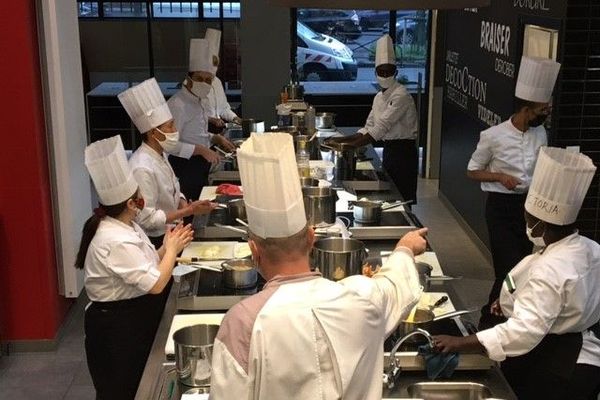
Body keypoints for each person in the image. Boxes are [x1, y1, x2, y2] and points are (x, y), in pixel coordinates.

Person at [209, 132, 427, 399]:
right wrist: (405, 247)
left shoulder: (243, 322)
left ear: (254, 252)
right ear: (312, 238)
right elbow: (395, 284)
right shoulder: (362, 295)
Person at [435, 147, 600, 400]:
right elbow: (561, 299)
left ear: (541, 225)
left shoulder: (550, 269)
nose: (525, 223)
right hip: (582, 354)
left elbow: (524, 331)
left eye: (528, 218)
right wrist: (513, 301)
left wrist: (460, 343)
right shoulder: (589, 247)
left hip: (561, 368)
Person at [76, 135, 194, 400]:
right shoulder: (113, 239)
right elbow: (156, 284)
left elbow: (148, 261)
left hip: (131, 317)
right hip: (115, 326)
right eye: (141, 200)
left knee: (136, 385)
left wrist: (167, 245)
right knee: (120, 390)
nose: (144, 203)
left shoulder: (127, 226)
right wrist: (172, 251)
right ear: (131, 204)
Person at [467, 56, 561, 329]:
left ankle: (506, 322)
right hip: (500, 208)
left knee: (522, 269)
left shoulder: (540, 133)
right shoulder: (493, 135)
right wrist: (499, 176)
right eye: (542, 110)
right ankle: (487, 323)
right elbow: (472, 170)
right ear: (526, 109)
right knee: (507, 268)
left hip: (530, 209)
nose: (545, 114)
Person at [119, 77, 216, 249]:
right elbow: (147, 220)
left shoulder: (159, 155)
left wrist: (183, 202)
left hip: (171, 232)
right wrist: (188, 211)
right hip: (155, 242)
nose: (175, 131)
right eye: (170, 127)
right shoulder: (141, 167)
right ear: (153, 133)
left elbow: (172, 186)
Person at [325, 34, 419, 204]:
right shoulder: (378, 97)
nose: (384, 75)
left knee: (403, 197)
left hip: (403, 152)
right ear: (375, 72)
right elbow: (368, 128)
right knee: (392, 193)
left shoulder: (401, 95)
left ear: (395, 72)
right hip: (390, 150)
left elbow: (381, 127)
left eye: (388, 71)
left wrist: (347, 146)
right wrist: (339, 140)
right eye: (381, 72)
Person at [167, 38, 236, 201]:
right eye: (199, 78)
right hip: (185, 166)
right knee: (190, 212)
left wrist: (215, 138)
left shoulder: (201, 99)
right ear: (189, 78)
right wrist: (201, 150)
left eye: (208, 80)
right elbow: (169, 144)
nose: (204, 83)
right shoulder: (178, 104)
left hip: (200, 163)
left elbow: (196, 132)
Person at [204, 28, 242, 134]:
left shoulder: (217, 82)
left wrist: (236, 119)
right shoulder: (192, 85)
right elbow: (192, 114)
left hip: (218, 130)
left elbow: (223, 108)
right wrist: (211, 119)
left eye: (215, 65)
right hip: (202, 130)